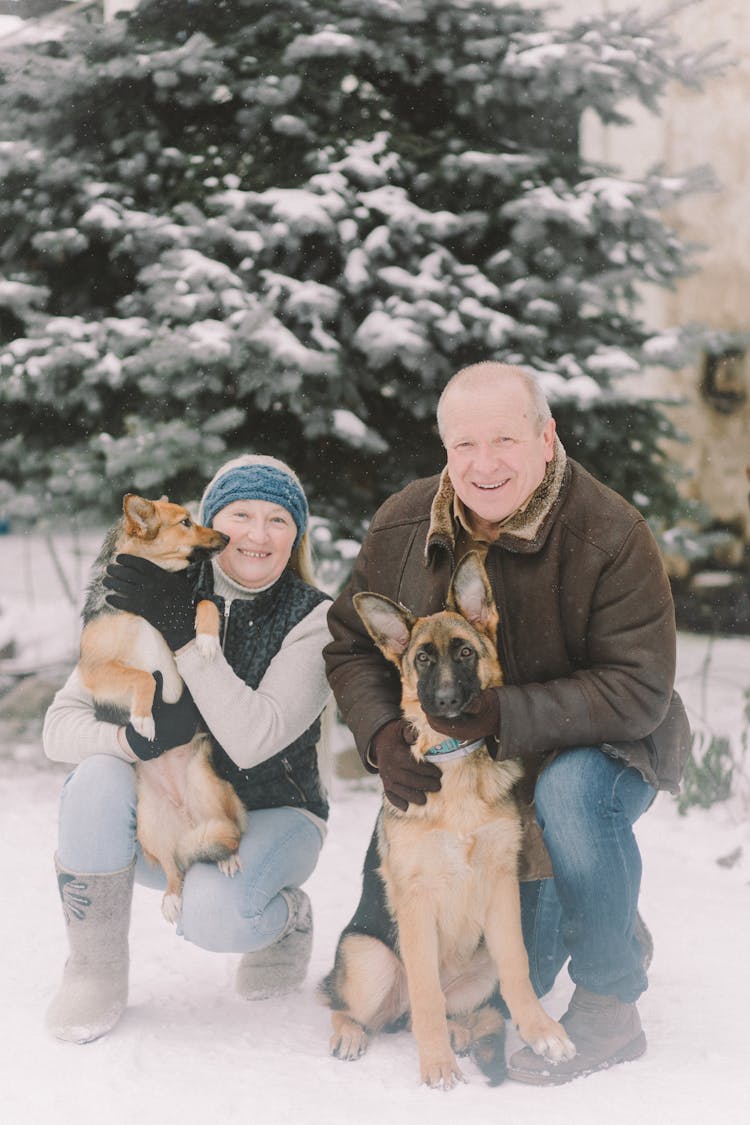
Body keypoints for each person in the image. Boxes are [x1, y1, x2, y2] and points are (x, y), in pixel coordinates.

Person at [324, 361, 690, 1085]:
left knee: (571, 801)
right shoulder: (403, 521)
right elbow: (350, 642)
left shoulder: (611, 533)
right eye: (464, 445)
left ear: (546, 437)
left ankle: (613, 999)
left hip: (597, 748)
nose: (483, 464)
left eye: (504, 440)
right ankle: (601, 904)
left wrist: (507, 712)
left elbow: (638, 686)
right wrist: (379, 734)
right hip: (476, 776)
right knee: (509, 967)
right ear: (445, 449)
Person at [44, 454, 332, 1044]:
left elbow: (253, 742)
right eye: (241, 514)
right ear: (212, 523)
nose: (256, 533)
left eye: (278, 519)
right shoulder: (155, 584)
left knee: (216, 916)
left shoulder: (314, 618)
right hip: (169, 814)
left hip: (277, 811)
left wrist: (183, 634)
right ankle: (94, 970)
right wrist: (126, 738)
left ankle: (285, 921)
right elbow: (59, 726)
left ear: (296, 534)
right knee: (98, 773)